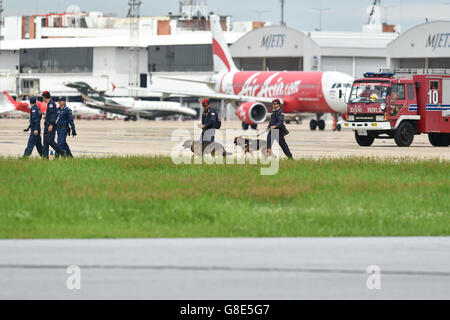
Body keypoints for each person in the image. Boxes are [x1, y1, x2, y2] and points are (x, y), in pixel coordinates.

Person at [42, 91, 65, 159]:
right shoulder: (49, 104)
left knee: (50, 140)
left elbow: (53, 115)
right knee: (45, 142)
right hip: (47, 125)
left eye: (43, 97)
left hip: (50, 126)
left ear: (45, 97)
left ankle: (62, 152)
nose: (43, 99)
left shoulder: (51, 104)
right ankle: (45, 158)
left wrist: (51, 124)